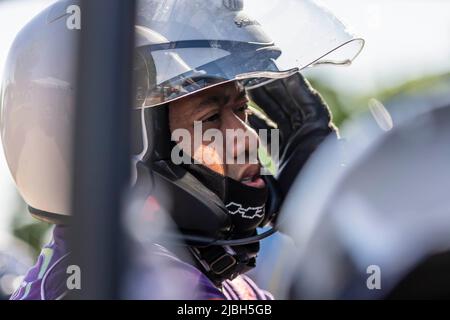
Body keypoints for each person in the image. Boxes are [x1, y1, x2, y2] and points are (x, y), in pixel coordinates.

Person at [0, 0, 363, 299]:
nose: (250, 140)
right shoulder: (113, 283)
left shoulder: (214, 279)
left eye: (242, 110)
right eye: (210, 119)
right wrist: (337, 220)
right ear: (118, 144)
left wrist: (320, 204)